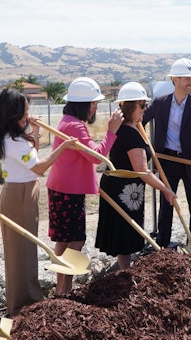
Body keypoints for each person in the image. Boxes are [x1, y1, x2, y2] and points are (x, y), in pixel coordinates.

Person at [0, 88, 77, 315]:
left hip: (25, 192)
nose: (29, 113)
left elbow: (33, 158)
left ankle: (28, 298)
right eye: (26, 109)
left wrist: (36, 131)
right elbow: (38, 167)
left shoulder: (17, 137)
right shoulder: (13, 140)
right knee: (20, 250)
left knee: (27, 248)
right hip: (19, 195)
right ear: (16, 112)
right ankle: (21, 303)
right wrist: (62, 147)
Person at [46, 77, 123, 295]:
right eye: (93, 103)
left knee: (64, 238)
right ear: (83, 104)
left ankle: (62, 288)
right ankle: (65, 288)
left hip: (62, 188)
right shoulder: (74, 125)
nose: (95, 107)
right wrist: (112, 131)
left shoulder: (69, 121)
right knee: (76, 239)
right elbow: (96, 156)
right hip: (68, 191)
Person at [142, 58, 191, 248]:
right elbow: (140, 121)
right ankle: (162, 243)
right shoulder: (160, 103)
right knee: (166, 203)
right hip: (166, 161)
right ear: (175, 79)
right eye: (187, 78)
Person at [95, 82, 175, 269]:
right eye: (141, 105)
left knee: (126, 231)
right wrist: (165, 189)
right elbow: (142, 171)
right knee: (126, 231)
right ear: (130, 106)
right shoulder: (129, 134)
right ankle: (125, 272)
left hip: (123, 186)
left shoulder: (131, 129)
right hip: (124, 189)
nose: (145, 109)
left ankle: (124, 270)